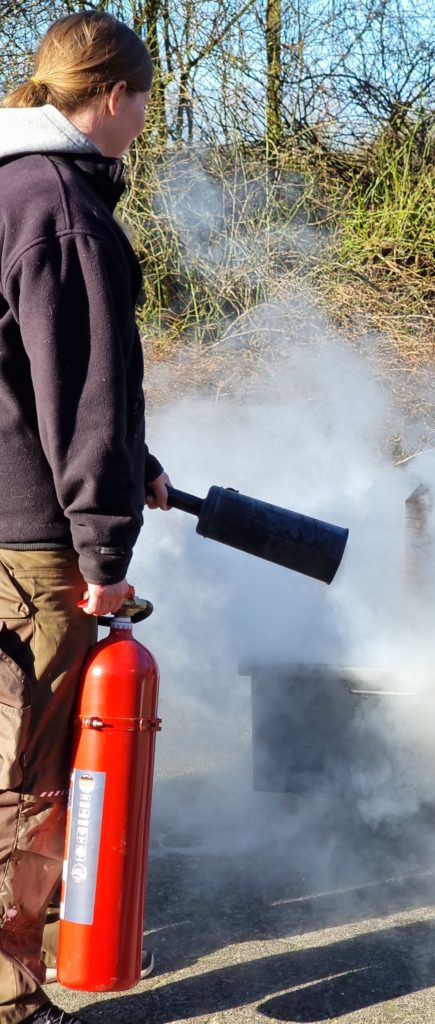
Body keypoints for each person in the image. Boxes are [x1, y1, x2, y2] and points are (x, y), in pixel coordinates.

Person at [0, 12, 169, 1023]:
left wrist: (132, 464)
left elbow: (24, 373)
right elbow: (87, 397)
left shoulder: (4, 186)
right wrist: (105, 551)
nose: (144, 121)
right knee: (27, 772)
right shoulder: (65, 209)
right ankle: (13, 998)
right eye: (142, 102)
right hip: (31, 541)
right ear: (112, 98)